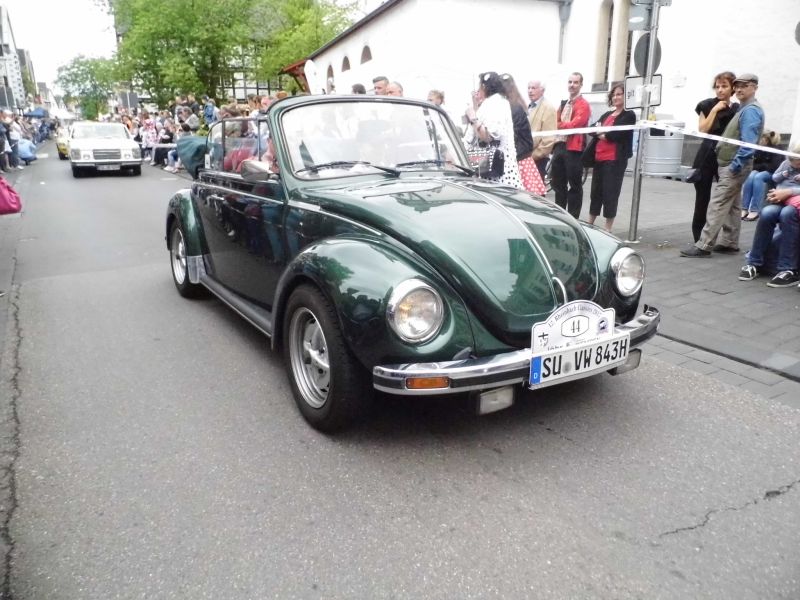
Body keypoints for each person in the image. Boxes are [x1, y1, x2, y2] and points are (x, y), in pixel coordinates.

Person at [682, 73, 765, 257]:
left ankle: (704, 245)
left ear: (754, 88)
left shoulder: (750, 110)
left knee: (718, 203)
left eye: (745, 86)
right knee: (733, 204)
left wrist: (735, 165)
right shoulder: (744, 108)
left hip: (733, 165)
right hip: (730, 163)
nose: (740, 89)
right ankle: (729, 242)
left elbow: (748, 144)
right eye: (738, 86)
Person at [737, 144, 800, 287]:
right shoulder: (786, 164)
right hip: (782, 199)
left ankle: (788, 268)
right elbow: (775, 178)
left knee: (787, 214)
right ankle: (754, 262)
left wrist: (789, 192)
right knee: (767, 213)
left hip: (794, 203)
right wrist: (778, 192)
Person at [687, 71, 739, 242]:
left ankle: (726, 240)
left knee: (725, 198)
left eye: (724, 86)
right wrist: (715, 110)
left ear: (732, 88)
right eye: (717, 86)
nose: (720, 90)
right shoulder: (707, 104)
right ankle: (699, 238)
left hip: (726, 156)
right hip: (707, 154)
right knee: (702, 197)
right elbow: (703, 129)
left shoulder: (737, 109)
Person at [586, 83, 636, 232]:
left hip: (614, 161)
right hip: (599, 159)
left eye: (619, 94)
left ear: (626, 96)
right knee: (596, 193)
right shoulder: (607, 115)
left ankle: (608, 228)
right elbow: (592, 129)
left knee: (610, 193)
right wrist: (602, 133)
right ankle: (589, 223)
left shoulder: (629, 115)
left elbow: (616, 134)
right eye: (613, 95)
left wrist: (603, 133)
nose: (615, 97)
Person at [464, 71, 522, 189]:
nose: (478, 90)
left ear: (484, 86)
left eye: (479, 86)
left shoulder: (496, 103)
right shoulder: (495, 102)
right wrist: (476, 107)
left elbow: (488, 136)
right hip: (492, 167)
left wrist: (473, 117)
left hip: (499, 170)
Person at [551, 72, 591, 218]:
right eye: (570, 82)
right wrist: (560, 125)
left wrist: (560, 125)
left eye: (575, 82)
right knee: (558, 184)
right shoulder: (564, 103)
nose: (572, 85)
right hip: (559, 145)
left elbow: (574, 125)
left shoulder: (584, 105)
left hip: (574, 148)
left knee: (574, 184)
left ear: (581, 85)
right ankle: (560, 215)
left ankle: (574, 217)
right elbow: (553, 122)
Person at [501, 74, 546, 195]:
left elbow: (517, 138)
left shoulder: (513, 108)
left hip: (518, 160)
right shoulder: (516, 105)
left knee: (521, 198)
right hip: (521, 159)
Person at [741, 130, 783, 221]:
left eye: (760, 138)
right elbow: (753, 164)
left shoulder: (777, 148)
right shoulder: (759, 148)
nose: (758, 140)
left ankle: (755, 210)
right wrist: (762, 166)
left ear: (766, 139)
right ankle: (744, 208)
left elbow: (774, 167)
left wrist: (761, 167)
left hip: (774, 174)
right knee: (750, 176)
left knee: (758, 177)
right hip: (762, 171)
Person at [527, 80, 557, 180]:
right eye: (529, 88)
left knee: (536, 187)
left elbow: (549, 139)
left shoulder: (548, 108)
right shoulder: (529, 106)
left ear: (542, 90)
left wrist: (533, 156)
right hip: (526, 156)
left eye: (533, 88)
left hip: (537, 158)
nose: (530, 91)